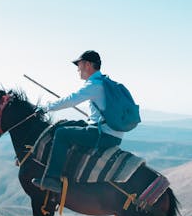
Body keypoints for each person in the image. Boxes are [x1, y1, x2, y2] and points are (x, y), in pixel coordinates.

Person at [32, 50, 127, 194]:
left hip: (104, 134)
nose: (78, 69)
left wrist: (46, 108)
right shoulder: (105, 83)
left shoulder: (94, 85)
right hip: (109, 131)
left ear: (88, 64)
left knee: (62, 134)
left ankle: (52, 178)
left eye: (79, 64)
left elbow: (71, 100)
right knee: (65, 125)